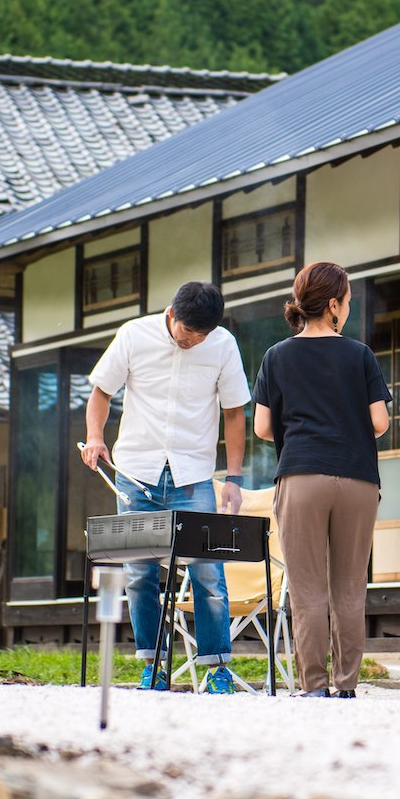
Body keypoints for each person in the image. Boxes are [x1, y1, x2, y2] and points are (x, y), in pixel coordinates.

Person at [82, 282, 250, 694]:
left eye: (201, 337)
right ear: (172, 315)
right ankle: (152, 665)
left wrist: (233, 477)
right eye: (187, 335)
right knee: (139, 574)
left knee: (208, 573)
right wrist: (95, 436)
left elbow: (233, 413)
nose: (193, 342)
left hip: (193, 476)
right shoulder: (133, 335)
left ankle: (216, 669)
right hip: (137, 473)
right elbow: (101, 391)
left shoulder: (223, 345)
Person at [252, 262, 391, 698]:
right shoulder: (360, 354)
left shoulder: (277, 355)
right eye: (347, 302)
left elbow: (261, 427)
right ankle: (346, 685)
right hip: (357, 480)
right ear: (333, 305)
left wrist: (301, 429)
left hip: (302, 475)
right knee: (350, 589)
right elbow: (380, 422)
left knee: (307, 587)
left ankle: (313, 687)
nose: (348, 309)